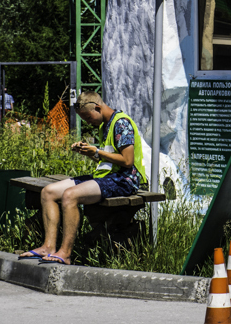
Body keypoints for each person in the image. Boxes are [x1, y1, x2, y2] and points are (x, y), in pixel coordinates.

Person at [17, 91, 146, 265]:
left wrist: (97, 151)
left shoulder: (121, 123)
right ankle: (48, 246)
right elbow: (108, 157)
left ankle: (66, 253)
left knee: (70, 195)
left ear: (98, 108)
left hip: (124, 180)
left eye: (88, 117)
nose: (88, 122)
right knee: (48, 192)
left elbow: (127, 161)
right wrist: (89, 152)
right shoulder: (104, 124)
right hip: (106, 176)